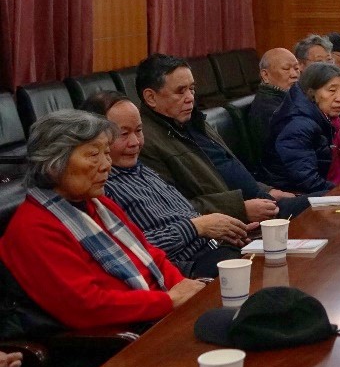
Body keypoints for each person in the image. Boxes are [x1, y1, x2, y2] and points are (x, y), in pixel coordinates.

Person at [0, 110, 204, 330]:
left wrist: (182, 286)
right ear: (53, 163)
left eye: (106, 153)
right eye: (93, 155)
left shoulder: (99, 204)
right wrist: (169, 300)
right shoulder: (33, 229)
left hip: (162, 311)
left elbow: (150, 255)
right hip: (124, 336)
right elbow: (86, 306)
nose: (107, 164)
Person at [82, 91, 251, 279]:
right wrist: (196, 227)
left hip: (217, 247)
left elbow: (188, 217)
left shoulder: (142, 168)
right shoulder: (102, 188)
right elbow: (133, 249)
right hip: (187, 271)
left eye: (139, 131)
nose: (135, 142)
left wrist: (228, 230)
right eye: (124, 134)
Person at [134, 53, 307, 222]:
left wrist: (267, 190)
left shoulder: (195, 121)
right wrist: (240, 210)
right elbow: (172, 206)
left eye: (191, 89)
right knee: (318, 208)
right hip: (235, 222)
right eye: (180, 92)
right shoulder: (144, 143)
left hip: (262, 202)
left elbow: (229, 168)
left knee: (322, 203)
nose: (190, 98)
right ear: (151, 97)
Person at [260, 63, 340, 194]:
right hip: (295, 195)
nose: (339, 98)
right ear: (311, 93)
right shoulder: (298, 126)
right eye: (331, 90)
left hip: (325, 186)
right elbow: (308, 182)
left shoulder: (329, 119)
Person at [248, 47, 302, 144]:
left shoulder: (294, 97)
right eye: (286, 69)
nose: (294, 74)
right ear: (265, 75)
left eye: (296, 68)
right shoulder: (268, 109)